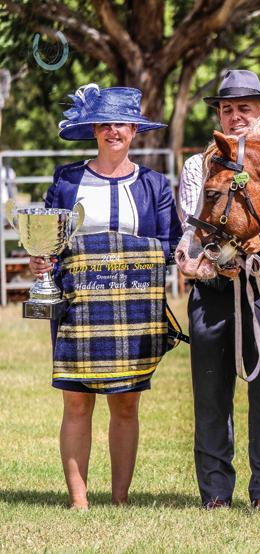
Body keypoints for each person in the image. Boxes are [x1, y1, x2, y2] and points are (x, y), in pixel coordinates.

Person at [29, 84, 182, 509]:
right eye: (105, 124)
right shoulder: (67, 180)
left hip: (134, 308)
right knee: (77, 402)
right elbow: (48, 240)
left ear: (135, 131)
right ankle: (79, 502)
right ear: (94, 130)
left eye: (122, 124)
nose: (114, 131)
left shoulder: (154, 184)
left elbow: (169, 245)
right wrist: (41, 261)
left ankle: (120, 499)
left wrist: (124, 256)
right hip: (77, 306)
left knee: (126, 404)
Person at [178, 69, 260, 509]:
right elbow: (191, 229)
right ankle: (214, 492)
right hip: (212, 291)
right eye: (227, 109)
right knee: (210, 395)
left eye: (244, 108)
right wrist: (209, 262)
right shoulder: (198, 165)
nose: (235, 117)